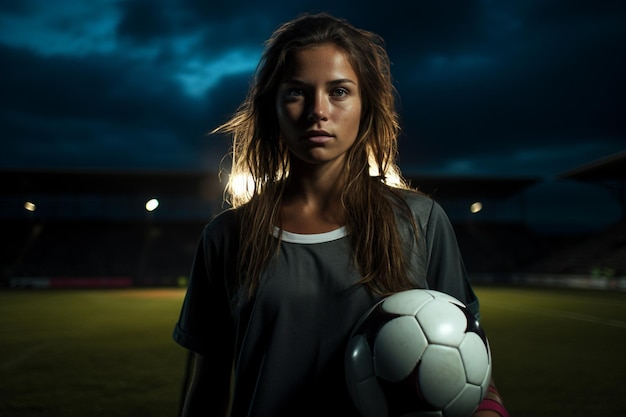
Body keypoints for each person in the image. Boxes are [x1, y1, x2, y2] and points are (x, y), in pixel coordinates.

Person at [173, 12, 509, 417]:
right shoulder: (227, 236)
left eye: (339, 91)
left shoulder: (420, 221)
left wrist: (489, 408)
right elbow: (206, 387)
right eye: (297, 92)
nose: (318, 110)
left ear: (365, 105)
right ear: (272, 107)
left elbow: (466, 354)